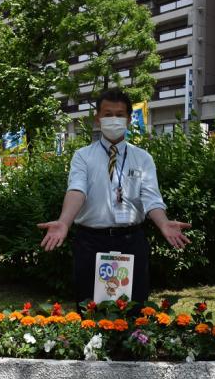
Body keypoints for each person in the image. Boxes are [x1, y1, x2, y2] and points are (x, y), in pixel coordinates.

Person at [37, 89, 191, 305]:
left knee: (134, 310)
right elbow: (77, 190)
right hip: (91, 242)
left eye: (119, 114)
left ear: (129, 119)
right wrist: (64, 222)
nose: (114, 119)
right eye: (108, 114)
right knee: (90, 311)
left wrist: (163, 223)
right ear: (97, 118)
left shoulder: (142, 158)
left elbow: (151, 198)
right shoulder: (83, 156)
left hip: (131, 241)